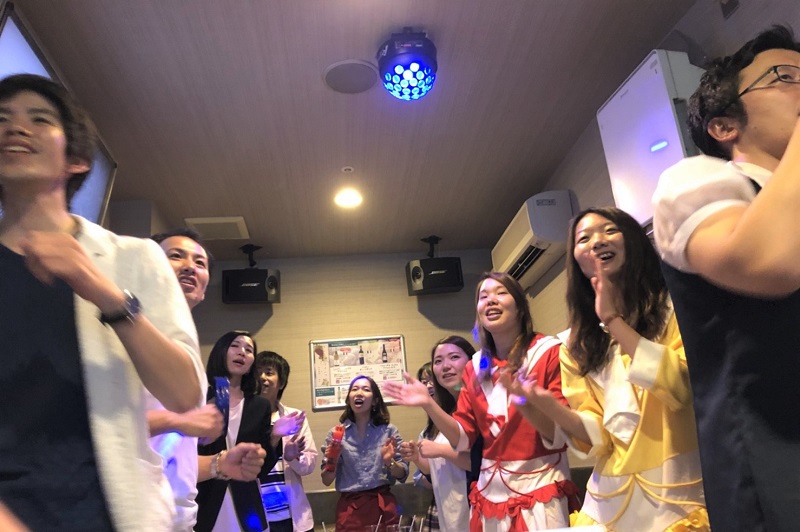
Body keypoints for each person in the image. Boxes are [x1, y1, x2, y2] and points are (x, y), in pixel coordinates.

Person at [0, 73, 204, 530]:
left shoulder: (135, 258)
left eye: (39, 119)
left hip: (113, 516)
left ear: (75, 158)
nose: (15, 128)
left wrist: (102, 291)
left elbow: (184, 393)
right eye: (2, 119)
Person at [652, 25, 800, 532]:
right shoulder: (700, 178)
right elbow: (766, 262)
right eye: (786, 77)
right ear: (723, 125)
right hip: (777, 476)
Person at [503, 207, 708, 530]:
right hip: (609, 499)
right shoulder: (574, 345)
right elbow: (597, 440)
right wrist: (546, 405)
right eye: (584, 238)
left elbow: (682, 389)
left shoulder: (674, 307)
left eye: (609, 230)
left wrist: (613, 321)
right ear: (576, 260)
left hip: (678, 488)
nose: (597, 241)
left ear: (633, 240)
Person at [385, 272, 578, 531]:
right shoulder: (475, 367)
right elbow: (463, 438)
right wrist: (428, 404)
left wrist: (527, 403)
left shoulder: (548, 351)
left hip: (539, 490)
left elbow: (560, 435)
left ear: (521, 307)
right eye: (483, 296)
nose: (491, 300)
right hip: (489, 497)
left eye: (501, 293)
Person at [148, 228, 266, 531]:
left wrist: (220, 464)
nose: (190, 266)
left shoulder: (189, 358)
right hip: (134, 515)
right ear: (147, 264)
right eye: (176, 256)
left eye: (199, 262)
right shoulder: (126, 332)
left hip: (180, 517)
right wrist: (178, 421)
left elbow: (175, 461)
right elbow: (93, 426)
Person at [196, 331, 304, 532]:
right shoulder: (199, 398)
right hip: (205, 504)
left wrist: (275, 435)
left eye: (249, 350)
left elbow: (260, 470)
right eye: (235, 346)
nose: (242, 352)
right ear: (221, 351)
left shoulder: (259, 406)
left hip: (247, 507)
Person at [401, 337, 477, 532]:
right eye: (438, 361)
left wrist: (441, 450)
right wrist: (417, 457)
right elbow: (440, 469)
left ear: (472, 361)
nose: (445, 366)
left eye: (454, 357)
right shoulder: (445, 412)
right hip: (449, 514)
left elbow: (482, 463)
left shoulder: (480, 405)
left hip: (478, 511)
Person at [320, 375, 408, 532]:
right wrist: (333, 458)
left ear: (375, 400)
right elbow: (326, 480)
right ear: (349, 399)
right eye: (354, 389)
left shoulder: (389, 431)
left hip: (383, 506)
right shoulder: (336, 435)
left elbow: (402, 475)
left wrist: (389, 462)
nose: (359, 393)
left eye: (366, 389)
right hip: (350, 511)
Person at [254, 351, 317, 532]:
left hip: (294, 518)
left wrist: (292, 458)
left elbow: (309, 466)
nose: (262, 377)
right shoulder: (243, 419)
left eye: (269, 372)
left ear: (281, 383)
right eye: (257, 372)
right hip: (258, 519)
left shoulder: (294, 417)